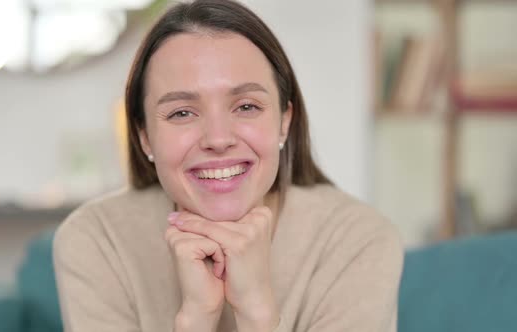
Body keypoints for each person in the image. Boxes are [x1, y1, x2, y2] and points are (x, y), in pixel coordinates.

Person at [53, 0, 404, 331]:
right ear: (145, 137)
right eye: (182, 112)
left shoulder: (358, 240)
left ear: (284, 121)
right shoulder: (97, 241)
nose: (218, 139)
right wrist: (195, 318)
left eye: (246, 106)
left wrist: (256, 312)